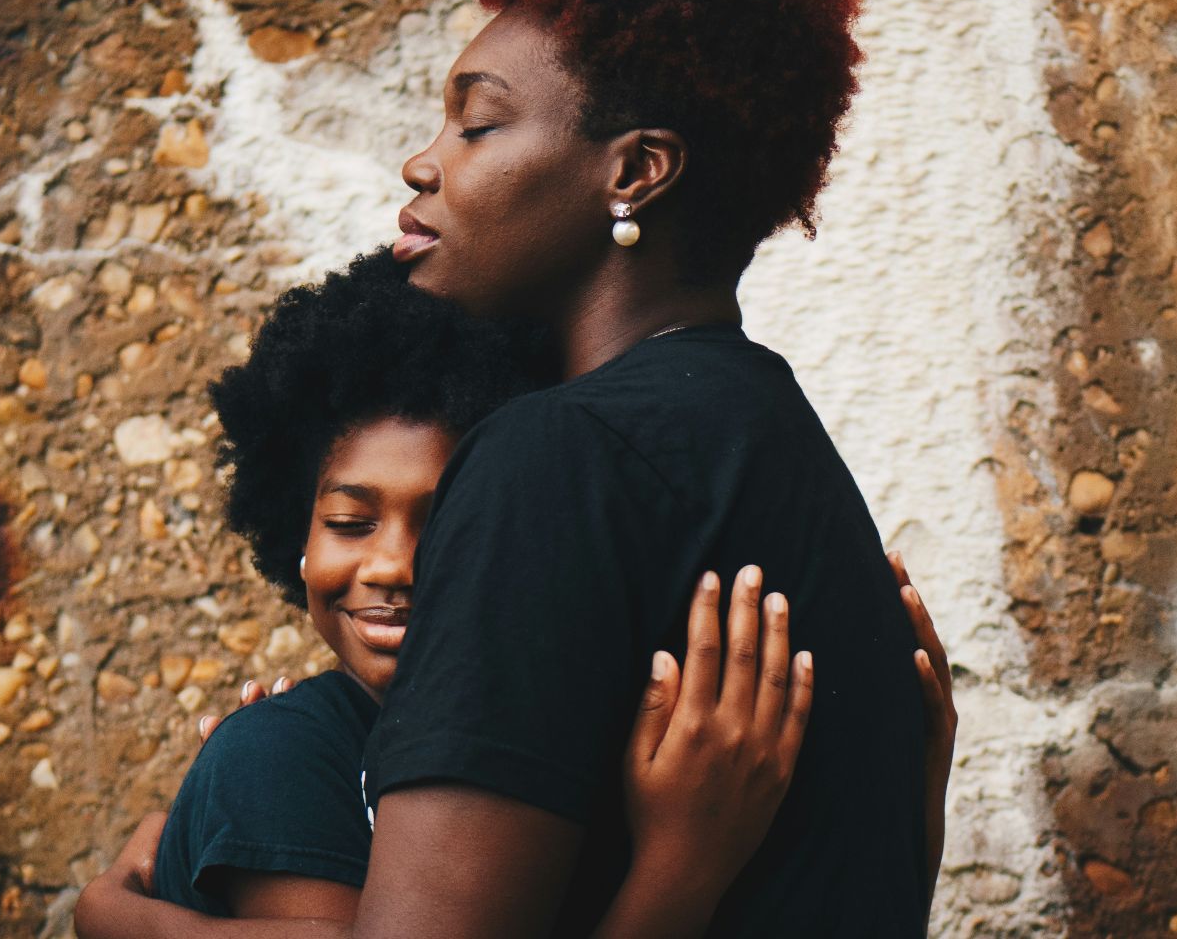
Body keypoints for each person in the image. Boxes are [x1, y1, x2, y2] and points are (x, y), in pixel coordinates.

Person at [79, 0, 956, 936]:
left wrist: (126, 921)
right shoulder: (780, 448)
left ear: (634, 172)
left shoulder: (553, 458)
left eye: (478, 126)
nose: (424, 162)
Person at [129, 250, 820, 934]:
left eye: (450, 524)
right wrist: (683, 864)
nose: (394, 565)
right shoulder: (279, 757)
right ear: (297, 537)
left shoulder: (555, 739)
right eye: (349, 522)